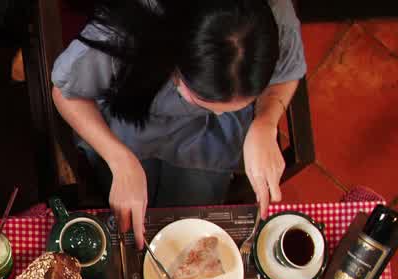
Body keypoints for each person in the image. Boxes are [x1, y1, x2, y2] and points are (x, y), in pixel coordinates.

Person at [51, 0, 307, 247]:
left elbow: (286, 73)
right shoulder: (122, 33)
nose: (218, 113)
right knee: (133, 211)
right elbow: (65, 94)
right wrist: (120, 160)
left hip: (212, 138)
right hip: (128, 124)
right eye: (205, 103)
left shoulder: (272, 12)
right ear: (175, 66)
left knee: (191, 223)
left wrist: (265, 121)